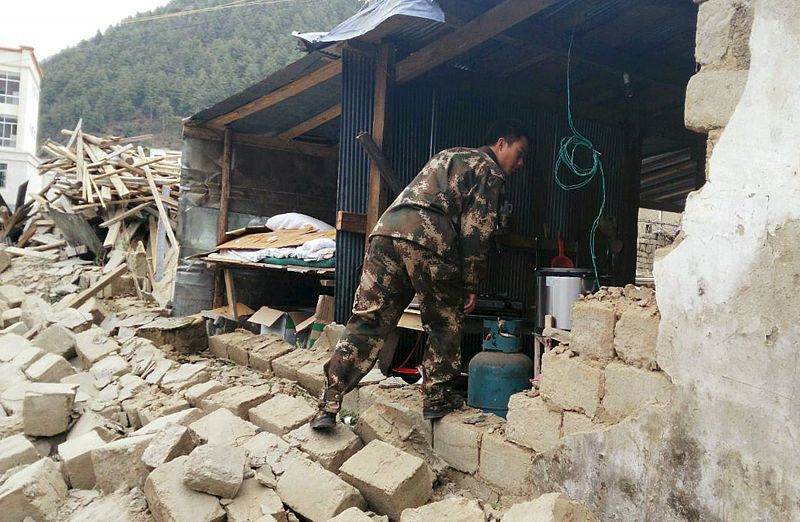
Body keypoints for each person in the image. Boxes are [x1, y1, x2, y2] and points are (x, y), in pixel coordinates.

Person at [310, 120, 530, 429]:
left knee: (367, 321)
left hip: (386, 232)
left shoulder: (449, 155)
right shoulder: (488, 170)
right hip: (429, 237)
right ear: (501, 144)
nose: (520, 163)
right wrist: (469, 281)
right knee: (444, 320)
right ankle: (437, 396)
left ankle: (328, 404)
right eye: (519, 153)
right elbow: (476, 230)